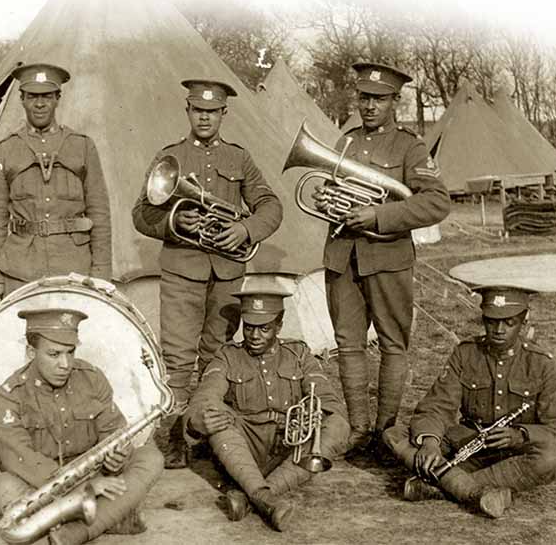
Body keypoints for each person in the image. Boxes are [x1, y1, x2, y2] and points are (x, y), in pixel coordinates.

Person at [132, 79, 283, 468]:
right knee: (178, 358)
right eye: (198, 110)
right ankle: (175, 439)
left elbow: (270, 204)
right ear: (188, 111)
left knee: (217, 356)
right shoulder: (170, 157)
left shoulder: (239, 158)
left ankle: (209, 432)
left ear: (223, 114)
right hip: (182, 269)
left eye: (212, 111)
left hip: (228, 270)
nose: (204, 116)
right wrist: (172, 219)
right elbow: (141, 213)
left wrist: (245, 229)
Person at [316, 62, 450, 454]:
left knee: (393, 344)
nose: (369, 106)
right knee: (348, 343)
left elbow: (436, 202)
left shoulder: (411, 146)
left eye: (378, 99)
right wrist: (326, 198)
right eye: (364, 97)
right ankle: (358, 430)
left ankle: (385, 431)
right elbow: (330, 188)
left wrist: (379, 215)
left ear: (395, 101)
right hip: (343, 256)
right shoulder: (345, 142)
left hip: (388, 257)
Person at [0, 307, 163, 545]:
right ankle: (109, 516)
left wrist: (118, 457)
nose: (65, 364)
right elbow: (22, 459)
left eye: (70, 352)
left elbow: (114, 431)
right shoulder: (9, 395)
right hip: (43, 480)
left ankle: (76, 529)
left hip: (94, 473)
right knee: (2, 487)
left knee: (150, 457)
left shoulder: (92, 377)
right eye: (54, 354)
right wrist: (81, 487)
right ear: (31, 352)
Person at [383, 286, 556, 519]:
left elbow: (553, 427)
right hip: (469, 441)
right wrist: (430, 443)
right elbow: (437, 405)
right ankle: (475, 492)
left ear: (524, 323)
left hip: (513, 454)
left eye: (509, 323)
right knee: (394, 434)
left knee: (551, 456)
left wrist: (520, 435)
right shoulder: (466, 353)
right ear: (484, 320)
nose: (499, 330)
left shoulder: (542, 363)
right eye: (492, 322)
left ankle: (438, 485)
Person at [185, 289, 349, 531]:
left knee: (337, 425)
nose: (254, 335)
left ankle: (255, 495)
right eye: (249, 327)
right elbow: (205, 396)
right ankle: (266, 499)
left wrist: (316, 415)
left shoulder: (299, 353)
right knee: (216, 416)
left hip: (288, 445)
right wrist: (200, 419)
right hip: (243, 446)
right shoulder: (228, 355)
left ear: (279, 326)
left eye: (264, 328)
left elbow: (327, 399)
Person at [0, 63, 112, 309]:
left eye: (46, 96)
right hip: (20, 270)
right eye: (32, 96)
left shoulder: (82, 146)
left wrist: (102, 274)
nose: (39, 104)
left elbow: (100, 214)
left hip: (74, 268)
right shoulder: (6, 149)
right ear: (22, 99)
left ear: (57, 98)